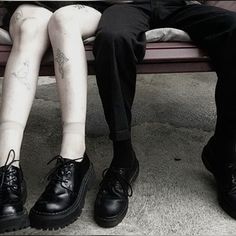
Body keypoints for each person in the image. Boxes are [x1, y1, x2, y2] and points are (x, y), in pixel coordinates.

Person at [92, 0, 236, 227]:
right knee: (112, 38)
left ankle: (223, 154)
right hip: (127, 5)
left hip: (180, 4)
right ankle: (123, 159)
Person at [0, 1, 107, 233]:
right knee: (29, 28)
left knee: (63, 20)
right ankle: (7, 168)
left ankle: (75, 158)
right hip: (32, 5)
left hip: (83, 7)